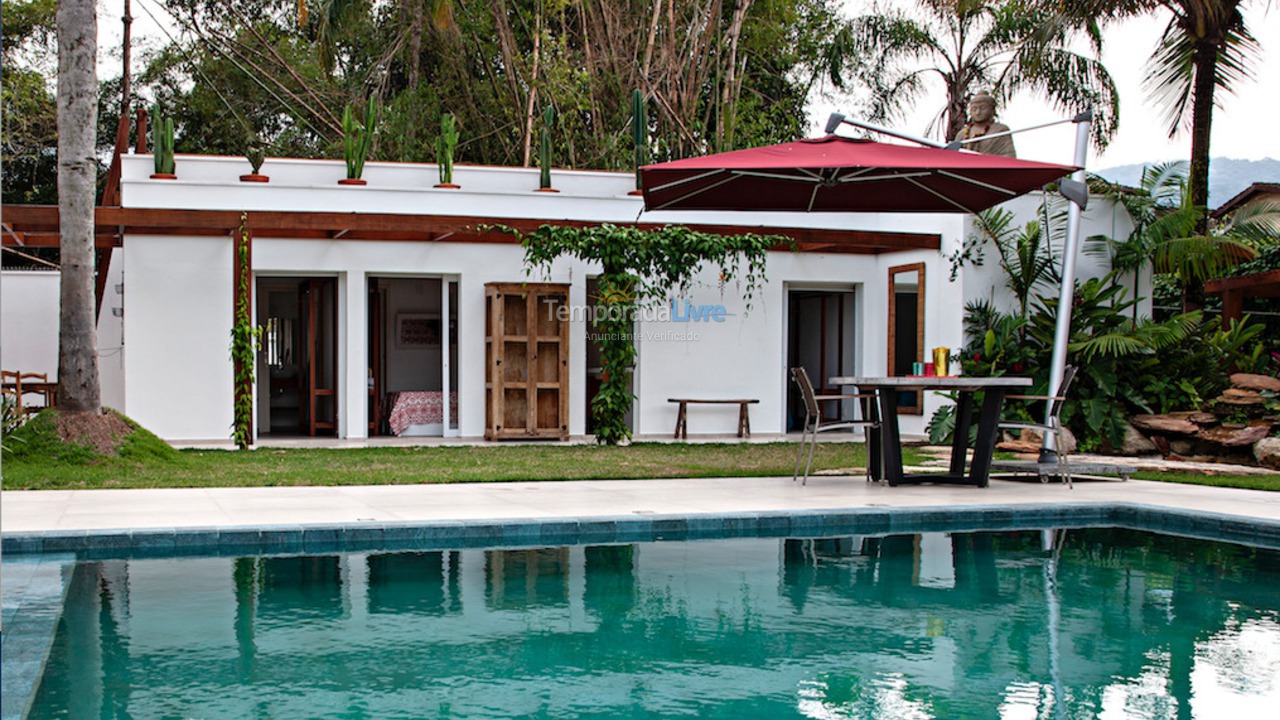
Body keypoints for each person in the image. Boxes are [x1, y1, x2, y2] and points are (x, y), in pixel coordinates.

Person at [951, 91, 1017, 157]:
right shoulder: (962, 134)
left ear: (992, 110)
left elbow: (1009, 156)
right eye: (974, 109)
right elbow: (954, 157)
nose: (978, 112)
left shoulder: (1000, 130)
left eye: (983, 108)